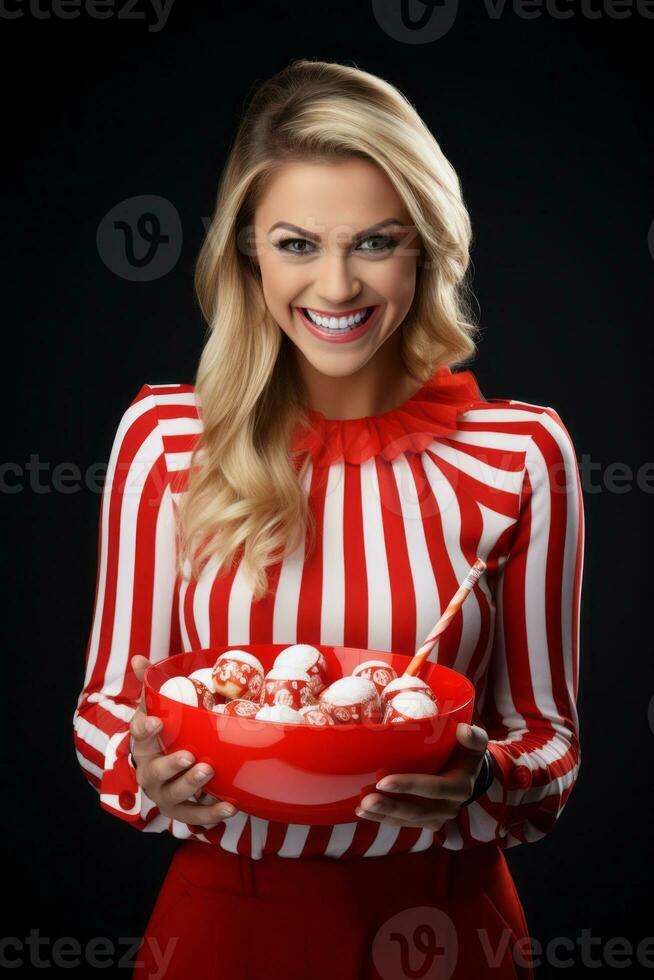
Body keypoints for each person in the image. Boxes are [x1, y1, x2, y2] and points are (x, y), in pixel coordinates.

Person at [73, 59, 585, 980]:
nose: (339, 287)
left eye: (376, 242)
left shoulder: (522, 454)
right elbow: (107, 706)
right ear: (247, 252)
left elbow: (549, 742)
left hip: (451, 924)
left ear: (426, 247)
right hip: (227, 928)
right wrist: (141, 774)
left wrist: (483, 778)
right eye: (298, 244)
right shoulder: (163, 440)